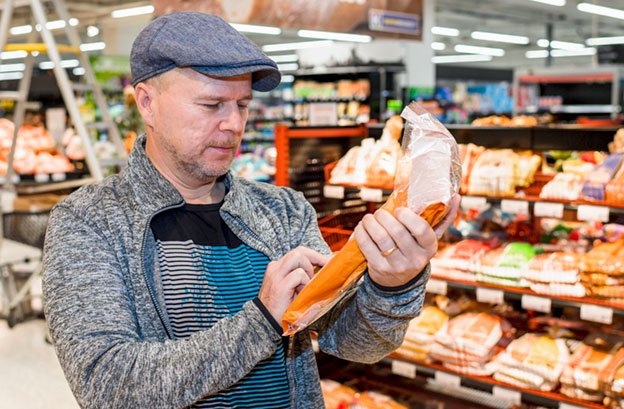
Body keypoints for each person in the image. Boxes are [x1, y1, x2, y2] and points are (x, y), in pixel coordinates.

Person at [42, 11, 458, 409]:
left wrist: (391, 285)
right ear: (147, 103)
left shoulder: (284, 211)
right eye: (211, 105)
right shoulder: (88, 222)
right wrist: (261, 319)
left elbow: (352, 344)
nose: (233, 124)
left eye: (241, 105)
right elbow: (106, 386)